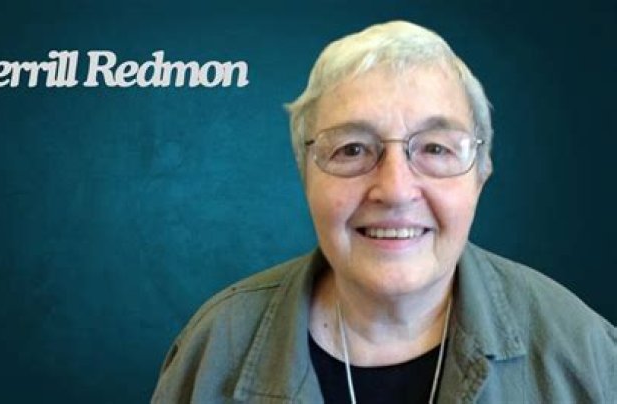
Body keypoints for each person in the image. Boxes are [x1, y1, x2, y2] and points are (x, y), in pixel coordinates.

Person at [151, 21, 616, 403]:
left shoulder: (586, 354)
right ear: (304, 171)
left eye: (435, 148)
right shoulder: (215, 347)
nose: (395, 190)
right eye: (352, 148)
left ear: (481, 172)